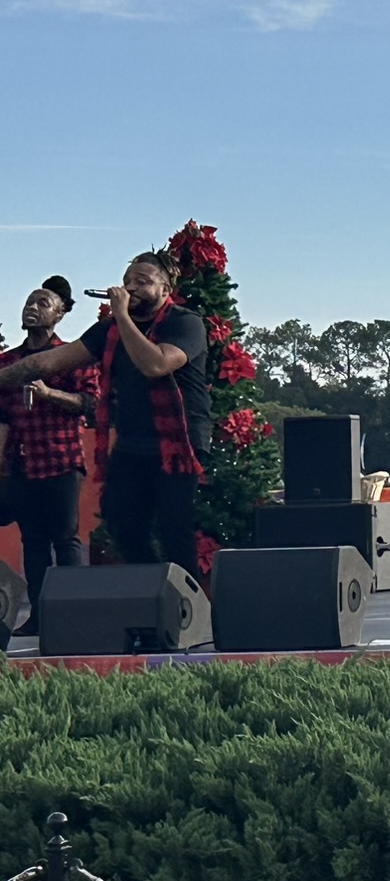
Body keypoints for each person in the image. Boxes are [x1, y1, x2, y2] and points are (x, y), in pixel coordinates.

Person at [0, 253, 213, 580]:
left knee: (175, 529)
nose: (130, 287)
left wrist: (122, 316)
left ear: (165, 289)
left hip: (178, 444)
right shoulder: (108, 331)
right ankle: (154, 591)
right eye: (127, 281)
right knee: (121, 522)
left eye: (142, 281)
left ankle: (189, 604)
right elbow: (46, 362)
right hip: (132, 443)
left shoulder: (184, 323)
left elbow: (155, 364)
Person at [0, 277, 101, 631]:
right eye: (29, 301)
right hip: (22, 464)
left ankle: (74, 616)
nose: (32, 307)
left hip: (61, 460)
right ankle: (40, 617)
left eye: (43, 303)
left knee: (66, 539)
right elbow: (2, 416)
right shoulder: (7, 362)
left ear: (59, 315)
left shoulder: (72, 357)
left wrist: (48, 394)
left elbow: (90, 403)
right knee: (33, 542)